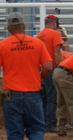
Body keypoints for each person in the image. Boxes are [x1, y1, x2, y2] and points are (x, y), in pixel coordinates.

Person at [0, 12, 52, 140]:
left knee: (14, 133)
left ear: (8, 29)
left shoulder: (2, 45)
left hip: (11, 94)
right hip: (33, 93)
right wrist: (39, 78)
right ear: (24, 26)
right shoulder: (38, 43)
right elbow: (48, 67)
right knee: (36, 130)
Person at [37, 14, 63, 132]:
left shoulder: (39, 35)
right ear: (53, 23)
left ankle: (42, 123)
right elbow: (57, 52)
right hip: (51, 67)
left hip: (41, 69)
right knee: (52, 98)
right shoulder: (55, 34)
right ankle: (50, 125)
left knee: (44, 98)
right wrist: (60, 67)